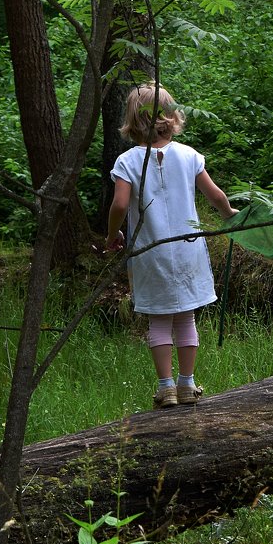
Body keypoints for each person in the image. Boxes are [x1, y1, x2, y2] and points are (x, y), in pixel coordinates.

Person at [105, 83, 237, 409]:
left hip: (151, 252)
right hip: (189, 249)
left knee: (159, 321)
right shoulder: (189, 155)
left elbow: (120, 205)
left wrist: (112, 235)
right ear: (172, 117)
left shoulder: (128, 161)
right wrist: (229, 215)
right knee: (186, 318)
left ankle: (166, 388)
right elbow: (216, 196)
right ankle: (187, 384)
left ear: (133, 120)